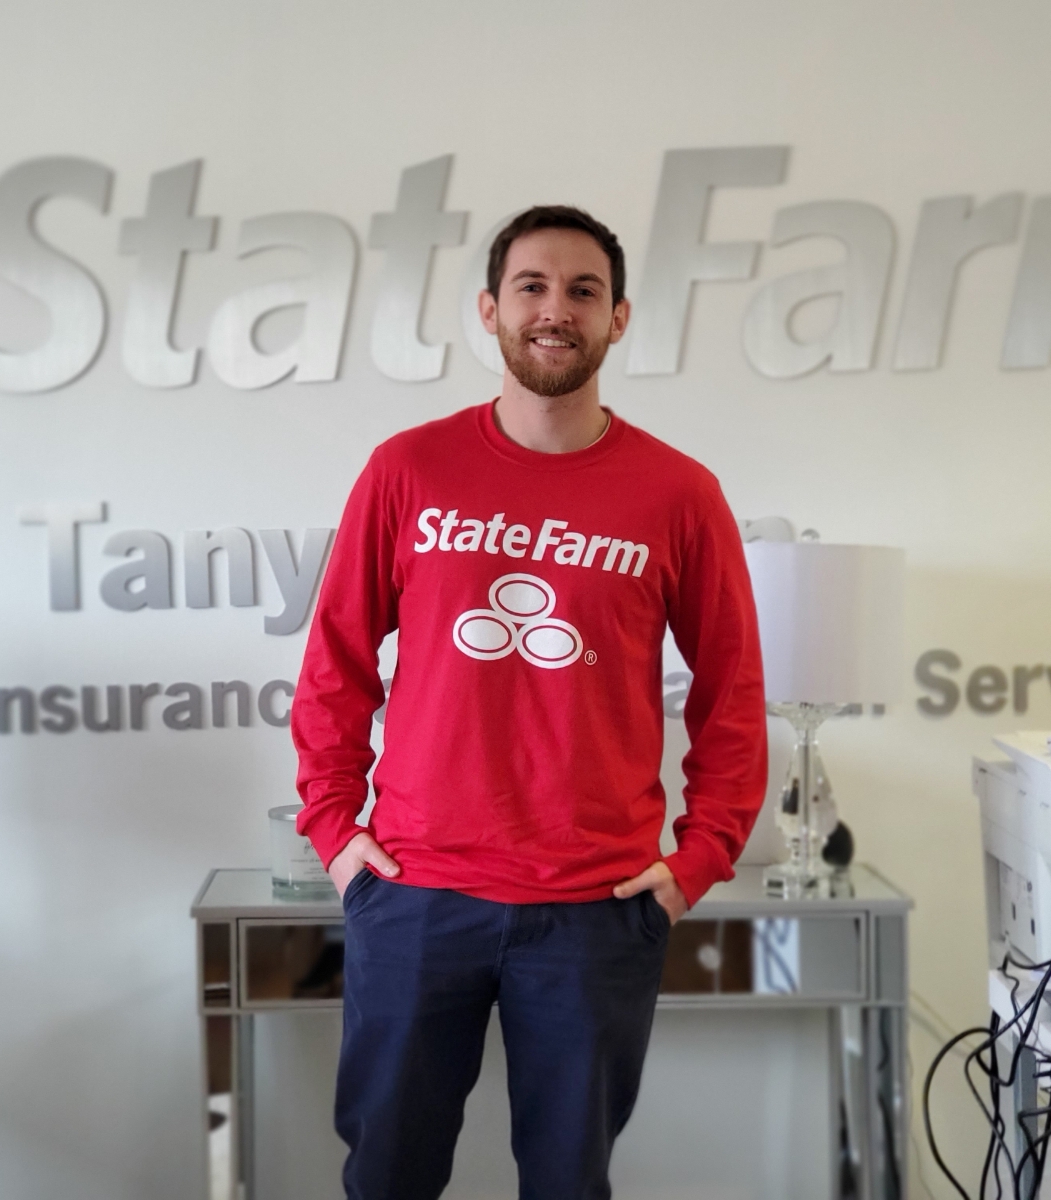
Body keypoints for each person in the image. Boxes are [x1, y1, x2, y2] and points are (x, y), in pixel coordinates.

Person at [291, 205, 768, 1200]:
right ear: (491, 310)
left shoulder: (679, 494)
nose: (557, 310)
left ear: (618, 318)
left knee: (567, 1182)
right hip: (416, 893)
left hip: (598, 908)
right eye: (532, 288)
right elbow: (336, 658)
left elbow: (732, 691)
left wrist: (699, 858)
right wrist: (335, 829)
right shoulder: (407, 469)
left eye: (583, 291)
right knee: (387, 1178)